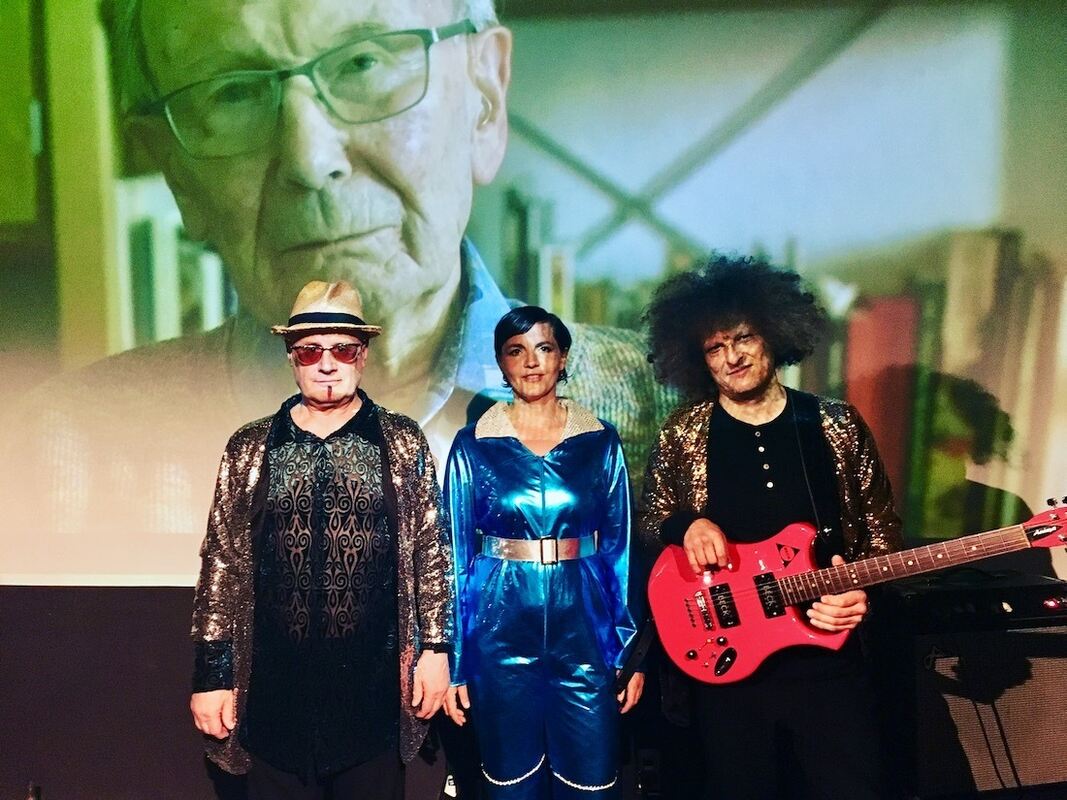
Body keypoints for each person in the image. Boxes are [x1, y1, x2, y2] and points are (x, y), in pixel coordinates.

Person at [638, 255, 904, 800]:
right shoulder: (683, 432)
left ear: (774, 334)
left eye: (743, 338)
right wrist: (686, 526)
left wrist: (861, 595)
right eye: (714, 348)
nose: (731, 357)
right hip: (728, 667)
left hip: (828, 661)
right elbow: (649, 519)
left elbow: (881, 535)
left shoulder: (835, 424)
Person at [189, 279, 452, 797]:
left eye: (343, 349)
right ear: (291, 357)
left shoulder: (401, 440)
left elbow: (432, 552)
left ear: (363, 356)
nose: (327, 363)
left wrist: (437, 649)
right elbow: (222, 562)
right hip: (274, 701)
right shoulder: (250, 446)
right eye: (311, 350)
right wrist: (212, 674)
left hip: (372, 703)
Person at [441, 306, 645, 798]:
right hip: (498, 634)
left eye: (544, 348)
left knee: (593, 779)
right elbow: (454, 558)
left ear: (563, 358)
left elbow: (621, 547)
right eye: (517, 351)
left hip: (586, 635)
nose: (531, 362)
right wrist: (455, 660)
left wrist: (631, 652)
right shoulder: (473, 445)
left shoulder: (600, 442)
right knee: (510, 783)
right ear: (501, 362)